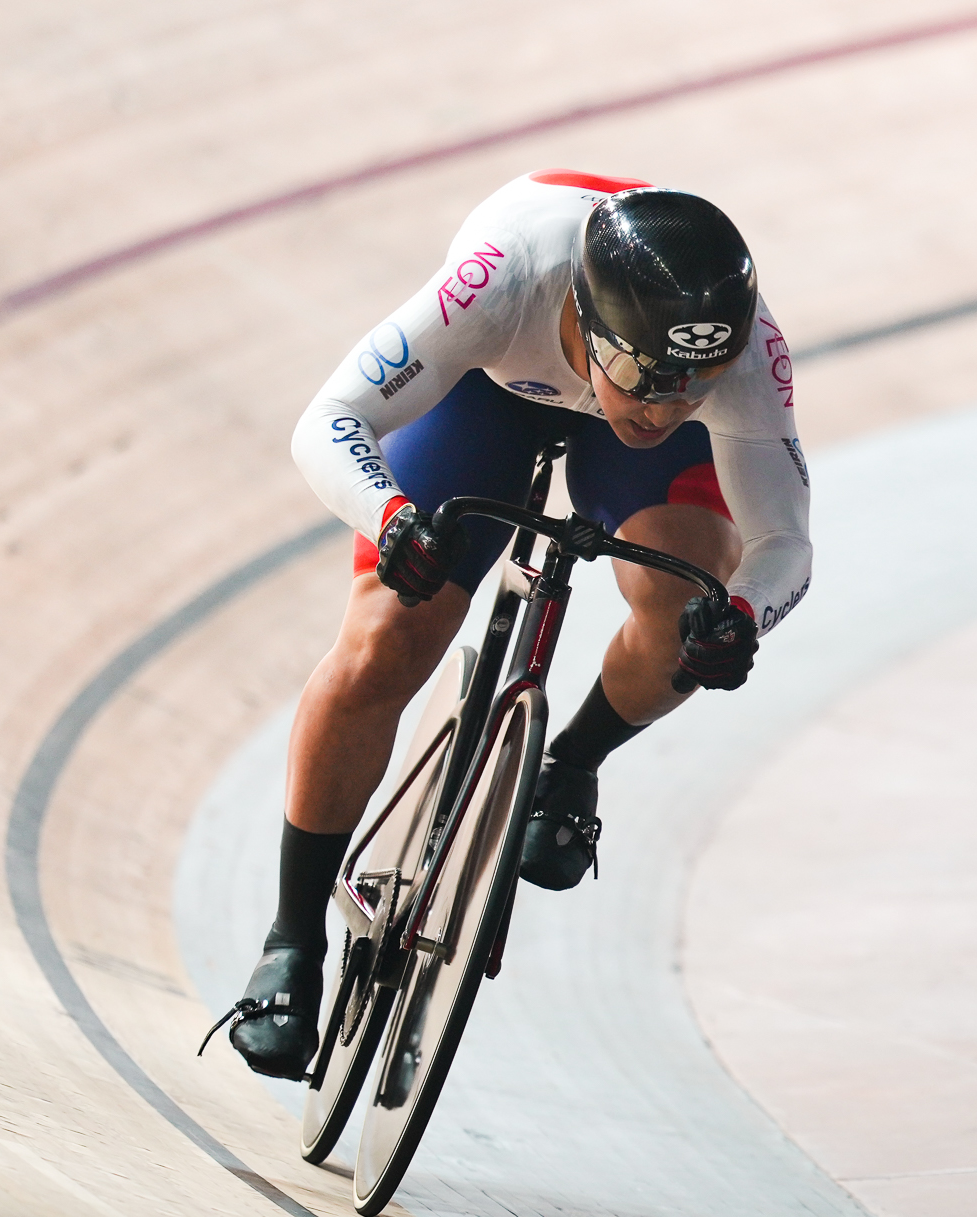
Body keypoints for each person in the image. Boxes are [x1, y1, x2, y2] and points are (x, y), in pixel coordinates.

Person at [229, 169, 812, 1079]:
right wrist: (391, 520)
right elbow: (329, 418)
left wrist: (742, 617)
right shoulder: (504, 279)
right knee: (387, 637)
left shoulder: (737, 353)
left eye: (688, 392)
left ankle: (570, 762)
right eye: (641, 380)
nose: (659, 412)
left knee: (692, 595)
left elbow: (785, 541)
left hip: (599, 385)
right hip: (490, 389)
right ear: (583, 315)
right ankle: (291, 937)